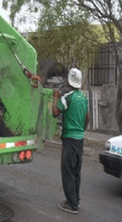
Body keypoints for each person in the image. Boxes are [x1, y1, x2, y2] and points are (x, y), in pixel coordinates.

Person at [52, 68, 89, 215]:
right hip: (80, 140)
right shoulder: (84, 98)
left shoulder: (67, 97)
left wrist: (55, 96)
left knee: (67, 171)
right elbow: (87, 118)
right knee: (76, 171)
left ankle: (72, 205)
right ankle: (76, 200)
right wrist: (81, 129)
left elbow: (55, 113)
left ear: (69, 80)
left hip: (69, 139)